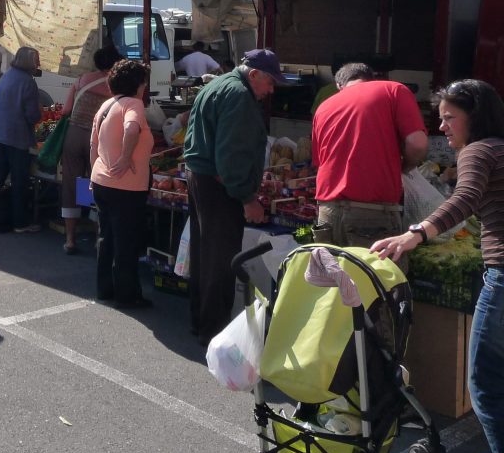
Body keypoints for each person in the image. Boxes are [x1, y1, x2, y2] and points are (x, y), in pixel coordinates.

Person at [371, 79, 504, 453]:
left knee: (483, 385)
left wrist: (415, 234)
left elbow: (464, 199)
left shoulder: (479, 150)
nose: (442, 127)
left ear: (474, 117)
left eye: (450, 118)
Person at [183, 48, 287, 346]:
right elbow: (231, 155)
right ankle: (214, 330)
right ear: (254, 74)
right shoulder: (240, 96)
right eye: (269, 82)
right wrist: (246, 198)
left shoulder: (218, 84)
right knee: (221, 258)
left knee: (205, 254)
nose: (271, 90)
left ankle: (200, 321)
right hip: (217, 183)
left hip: (201, 176)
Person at [312, 62, 428, 248]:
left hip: (327, 211)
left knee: (333, 274)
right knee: (379, 275)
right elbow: (417, 144)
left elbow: (320, 162)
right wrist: (405, 167)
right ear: (370, 79)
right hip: (372, 213)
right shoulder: (393, 90)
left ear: (339, 86)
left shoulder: (323, 107)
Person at [90, 59, 154, 308]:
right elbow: (131, 128)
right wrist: (126, 157)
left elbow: (93, 144)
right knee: (126, 241)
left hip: (102, 180)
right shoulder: (133, 104)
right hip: (126, 185)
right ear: (138, 84)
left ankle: (105, 288)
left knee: (106, 236)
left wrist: (95, 171)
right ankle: (127, 295)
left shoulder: (106, 105)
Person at [60, 45, 119, 253]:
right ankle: (97, 239)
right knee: (95, 184)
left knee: (72, 183)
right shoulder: (115, 85)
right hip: (98, 139)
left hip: (74, 135)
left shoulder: (81, 80)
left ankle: (70, 240)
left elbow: (66, 110)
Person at [0, 46, 42, 234]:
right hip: (16, 136)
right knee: (20, 180)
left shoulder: (7, 75)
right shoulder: (27, 82)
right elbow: (33, 115)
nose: (39, 64)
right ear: (30, 62)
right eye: (36, 60)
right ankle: (20, 222)